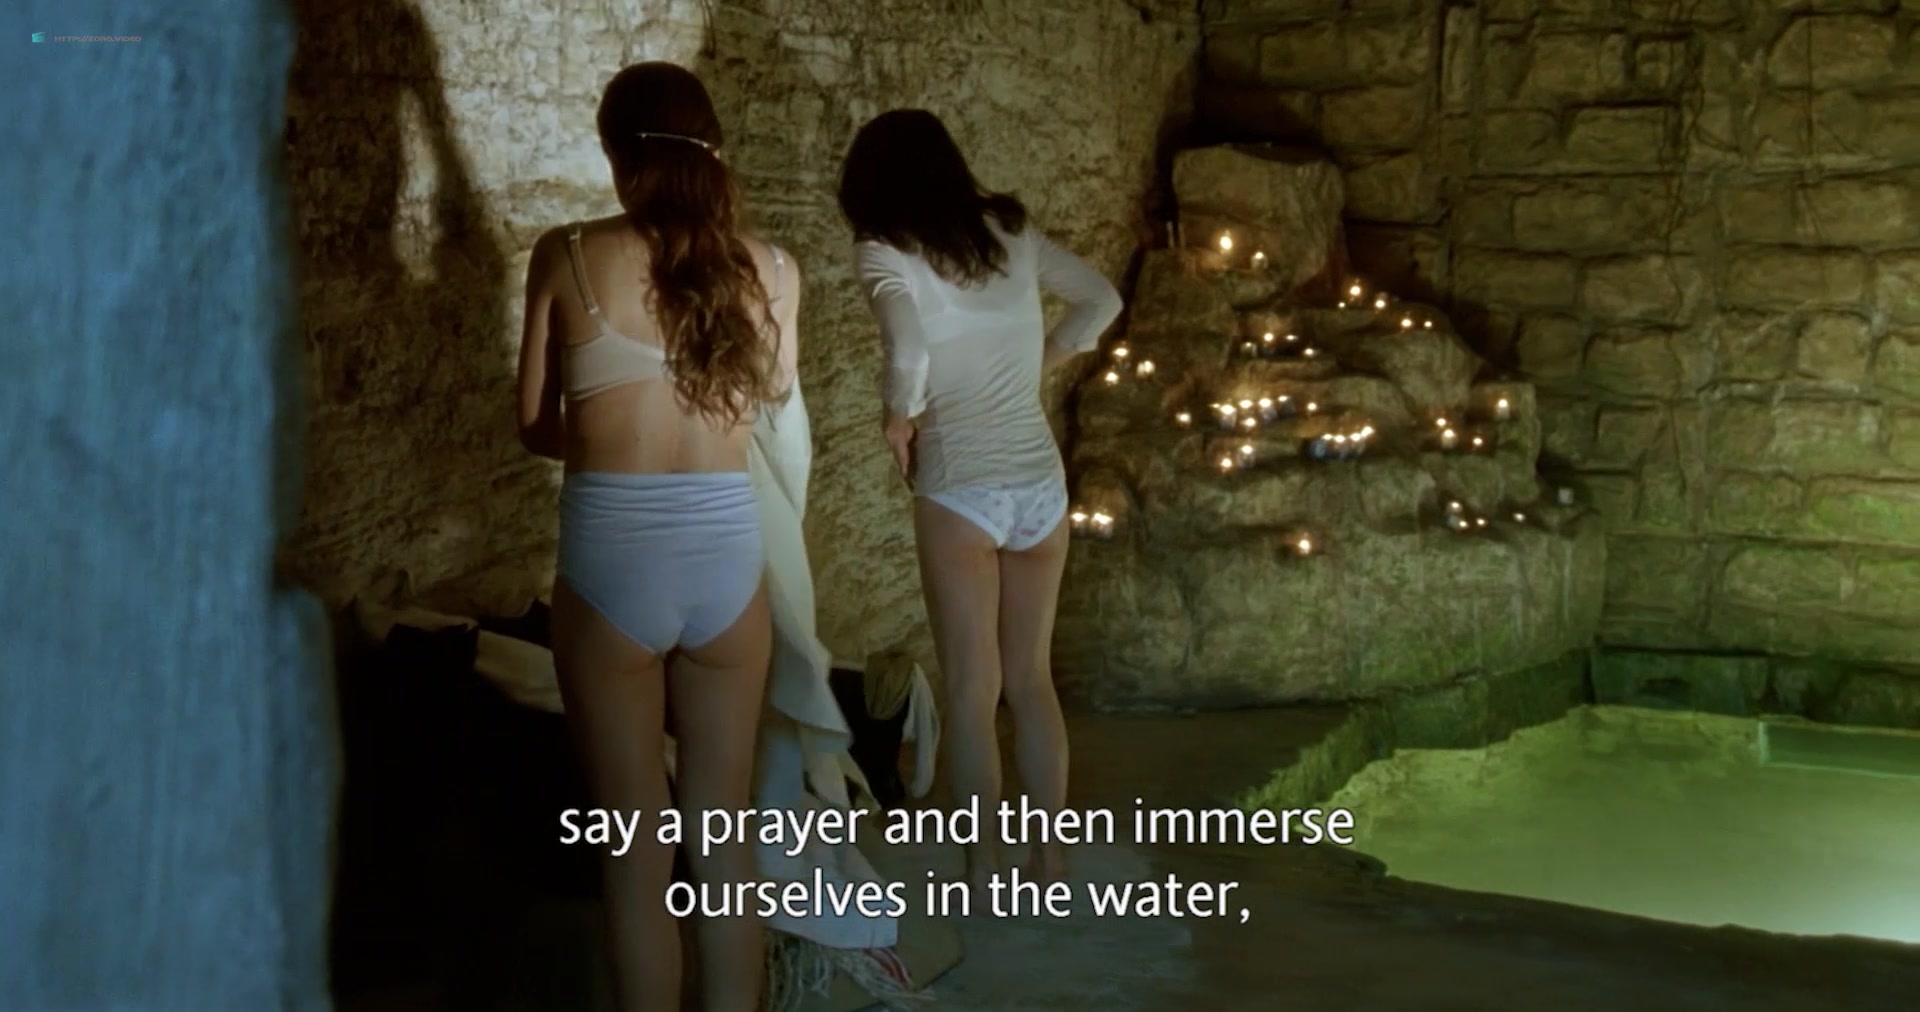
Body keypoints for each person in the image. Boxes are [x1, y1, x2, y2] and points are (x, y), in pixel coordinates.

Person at [515, 62, 797, 1012]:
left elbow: (534, 425)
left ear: (617, 155)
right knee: (726, 842)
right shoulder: (776, 271)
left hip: (612, 565)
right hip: (726, 564)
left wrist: (610, 439)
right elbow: (766, 402)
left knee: (635, 851)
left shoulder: (566, 253)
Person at [837, 109, 1124, 892]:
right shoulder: (1010, 230)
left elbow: (907, 347)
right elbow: (1100, 300)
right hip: (1039, 484)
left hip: (960, 483)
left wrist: (899, 417)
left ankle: (982, 866)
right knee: (1032, 681)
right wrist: (1044, 363)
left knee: (972, 689)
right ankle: (1049, 862)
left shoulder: (883, 249)